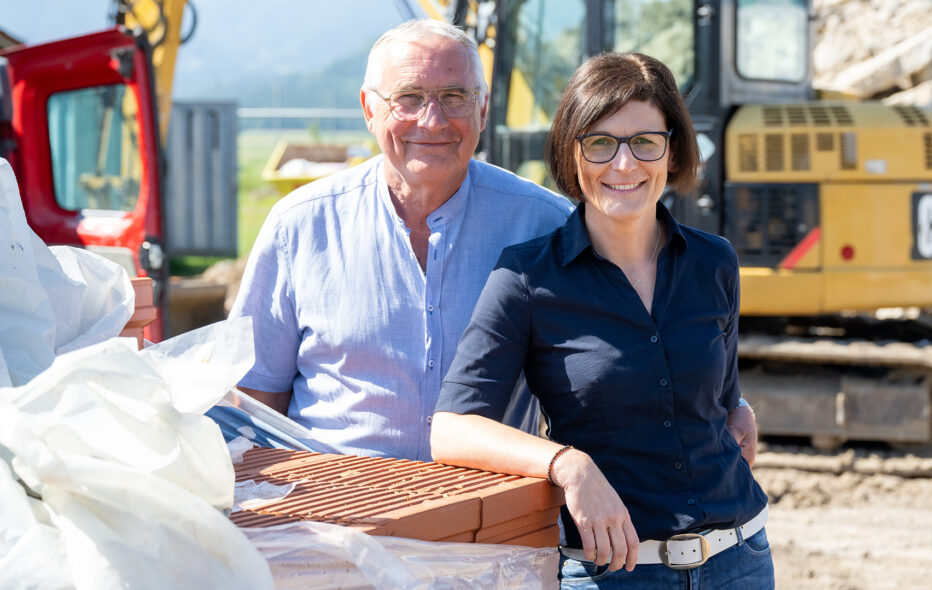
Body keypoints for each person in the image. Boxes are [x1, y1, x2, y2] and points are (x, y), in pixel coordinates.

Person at [230, 19, 758, 463]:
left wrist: (725, 404)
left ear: (483, 110)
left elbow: (635, 350)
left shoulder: (545, 225)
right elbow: (255, 402)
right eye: (408, 99)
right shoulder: (299, 226)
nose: (431, 120)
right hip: (338, 530)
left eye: (454, 97)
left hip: (489, 541)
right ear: (370, 110)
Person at [431, 52, 772, 588]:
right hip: (614, 573)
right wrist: (569, 465)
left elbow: (723, 398)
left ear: (671, 149)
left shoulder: (715, 262)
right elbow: (452, 429)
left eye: (644, 142)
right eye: (600, 142)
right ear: (573, 153)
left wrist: (738, 405)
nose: (624, 164)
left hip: (740, 561)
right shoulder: (527, 278)